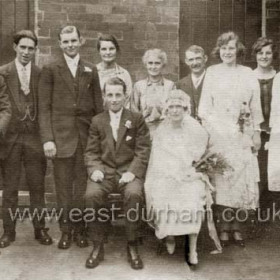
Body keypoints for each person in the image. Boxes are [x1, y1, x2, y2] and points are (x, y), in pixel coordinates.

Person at [38, 25, 103, 249]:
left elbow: (98, 108)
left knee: (82, 189)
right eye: (66, 42)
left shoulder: (90, 69)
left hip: (85, 139)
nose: (70, 45)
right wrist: (48, 139)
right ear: (60, 44)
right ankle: (66, 231)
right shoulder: (50, 69)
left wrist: (98, 141)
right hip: (61, 140)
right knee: (63, 188)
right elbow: (44, 108)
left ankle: (80, 230)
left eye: (74, 40)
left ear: (81, 40)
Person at [198, 31, 263, 247]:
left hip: (242, 135)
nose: (227, 52)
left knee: (241, 181)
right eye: (224, 48)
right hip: (219, 136)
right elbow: (204, 109)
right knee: (223, 181)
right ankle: (223, 227)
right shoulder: (212, 72)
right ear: (219, 51)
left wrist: (255, 134)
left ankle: (238, 227)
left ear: (238, 50)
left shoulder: (248, 73)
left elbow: (255, 107)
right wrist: (220, 130)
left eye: (231, 48)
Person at [145, 89, 221, 267]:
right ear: (166, 110)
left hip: (190, 174)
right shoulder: (161, 131)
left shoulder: (195, 128)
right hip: (166, 173)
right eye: (171, 107)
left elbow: (200, 157)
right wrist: (171, 173)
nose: (175, 110)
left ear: (186, 108)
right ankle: (169, 235)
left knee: (192, 195)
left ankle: (191, 248)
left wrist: (190, 172)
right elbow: (158, 159)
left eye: (179, 106)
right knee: (163, 191)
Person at [84, 77, 150, 270]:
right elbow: (91, 151)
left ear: (125, 95)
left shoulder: (136, 119)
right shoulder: (97, 120)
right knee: (91, 195)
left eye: (118, 95)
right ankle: (97, 245)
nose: (114, 99)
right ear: (104, 96)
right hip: (104, 172)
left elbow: (143, 149)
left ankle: (132, 245)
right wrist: (95, 169)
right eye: (110, 95)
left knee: (134, 194)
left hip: (127, 172)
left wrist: (132, 172)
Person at [0, 30, 51, 248]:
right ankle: (8, 232)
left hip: (34, 139)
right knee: (10, 188)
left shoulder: (41, 73)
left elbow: (46, 107)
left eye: (31, 48)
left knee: (37, 187)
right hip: (10, 139)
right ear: (15, 47)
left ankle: (40, 230)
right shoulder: (3, 73)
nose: (27, 52)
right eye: (23, 47)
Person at [252, 37, 278, 217]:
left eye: (268, 53)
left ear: (273, 55)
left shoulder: (278, 77)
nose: (264, 56)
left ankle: (273, 215)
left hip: (276, 132)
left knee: (275, 172)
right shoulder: (249, 77)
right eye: (260, 53)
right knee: (258, 172)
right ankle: (256, 215)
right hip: (256, 132)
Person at [130, 48, 175, 138]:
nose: (153, 67)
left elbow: (173, 110)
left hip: (166, 132)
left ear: (163, 65)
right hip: (143, 132)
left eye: (157, 63)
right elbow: (133, 110)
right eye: (150, 63)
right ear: (146, 64)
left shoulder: (170, 85)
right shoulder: (138, 86)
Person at [96, 34, 132, 108]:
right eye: (104, 49)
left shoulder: (124, 74)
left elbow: (127, 100)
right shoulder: (93, 72)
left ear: (116, 50)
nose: (108, 52)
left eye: (111, 49)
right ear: (99, 51)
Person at [176, 45, 208, 120]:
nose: (195, 63)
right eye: (191, 60)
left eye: (198, 58)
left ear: (205, 58)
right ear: (186, 62)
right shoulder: (179, 85)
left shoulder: (214, 81)